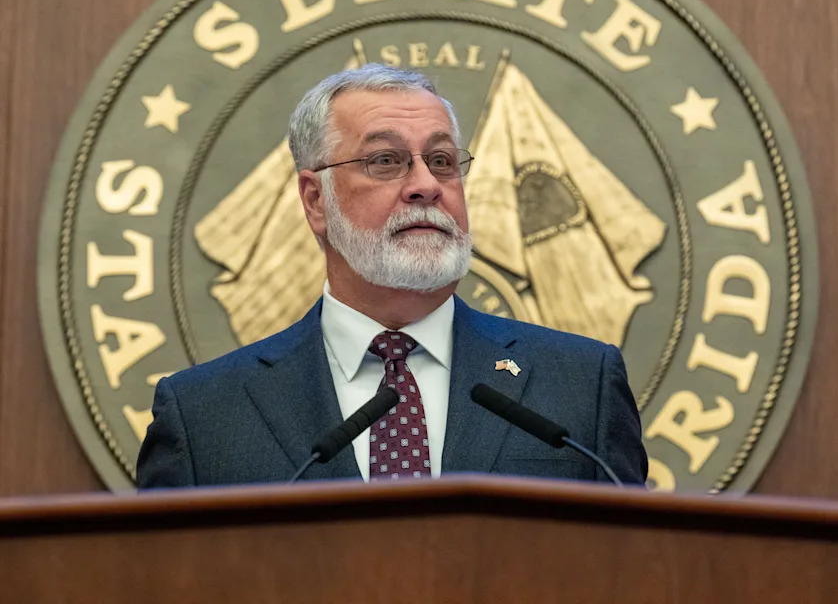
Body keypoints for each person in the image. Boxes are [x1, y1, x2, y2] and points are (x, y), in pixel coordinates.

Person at [136, 64, 648, 488]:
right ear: (317, 200)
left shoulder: (582, 386)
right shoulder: (204, 415)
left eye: (443, 161)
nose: (426, 184)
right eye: (386, 161)